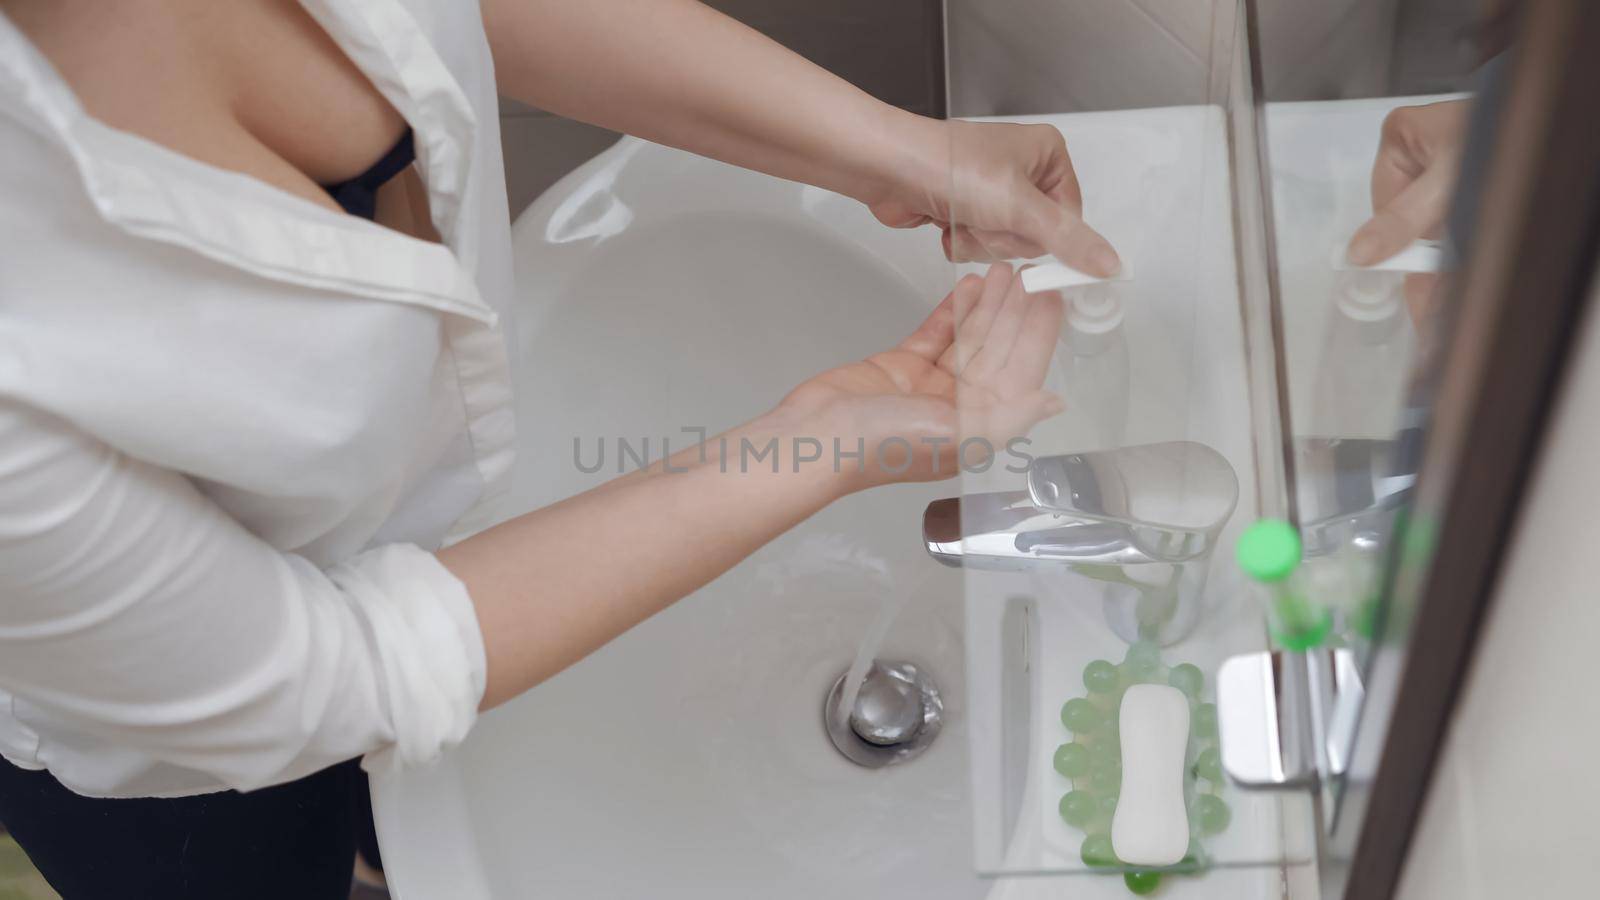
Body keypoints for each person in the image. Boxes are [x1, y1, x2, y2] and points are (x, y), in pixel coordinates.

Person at [0, 1, 1110, 897]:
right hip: (177, 750)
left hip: (404, 533)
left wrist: (904, 158)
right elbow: (327, 677)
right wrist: (819, 440)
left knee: (426, 801)